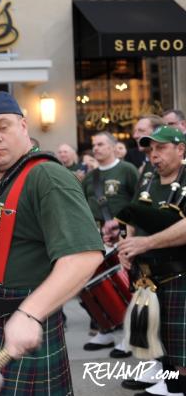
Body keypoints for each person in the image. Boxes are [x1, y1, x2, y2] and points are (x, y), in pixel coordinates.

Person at [0, 91, 103, 394]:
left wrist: (30, 313)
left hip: (20, 319)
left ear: (23, 125)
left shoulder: (47, 176)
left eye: (2, 126)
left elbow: (84, 257)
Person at [104, 126, 186, 395]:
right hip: (149, 274)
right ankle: (167, 379)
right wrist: (128, 244)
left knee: (180, 343)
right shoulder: (148, 177)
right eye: (150, 150)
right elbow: (136, 212)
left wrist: (146, 243)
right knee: (158, 336)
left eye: (161, 148)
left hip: (179, 273)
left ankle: (178, 386)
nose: (154, 155)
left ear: (181, 149)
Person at [80, 132, 138, 352]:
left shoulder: (127, 170)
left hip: (123, 236)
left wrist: (123, 224)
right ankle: (104, 331)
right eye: (94, 144)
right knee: (96, 290)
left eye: (101, 144)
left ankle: (129, 336)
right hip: (96, 239)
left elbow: (138, 201)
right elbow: (84, 206)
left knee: (125, 288)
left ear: (114, 147)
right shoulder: (90, 177)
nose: (96, 148)